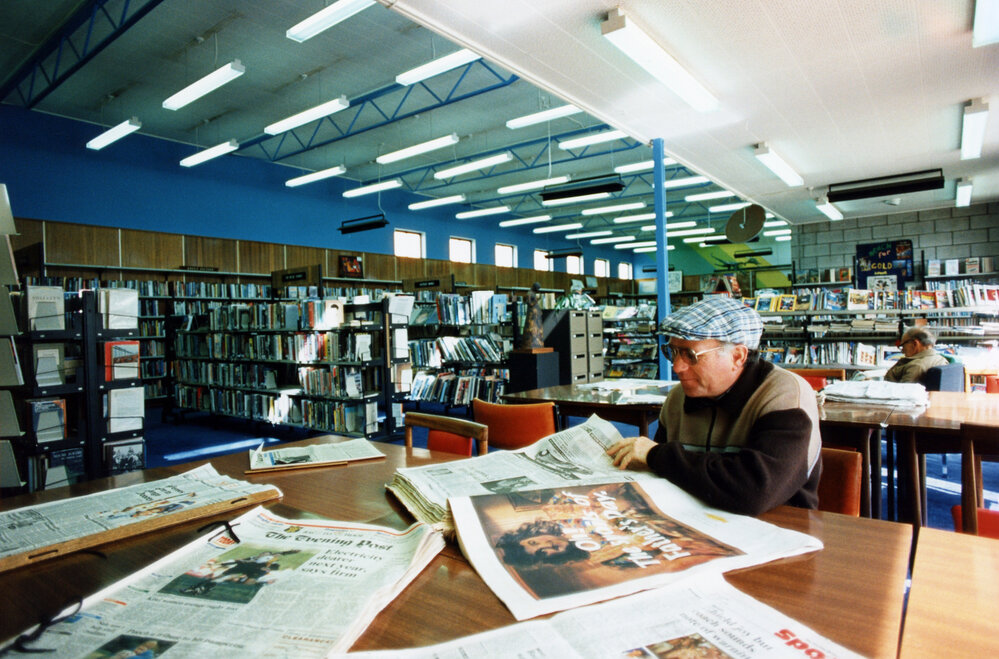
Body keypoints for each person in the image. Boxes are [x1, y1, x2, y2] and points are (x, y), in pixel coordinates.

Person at [606, 296, 822, 516]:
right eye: (673, 352)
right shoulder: (677, 398)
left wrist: (657, 456)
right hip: (695, 520)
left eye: (690, 355)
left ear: (738, 356)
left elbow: (754, 491)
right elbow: (661, 474)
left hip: (781, 527)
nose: (677, 367)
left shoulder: (785, 394)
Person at [883, 327, 948, 383]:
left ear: (915, 343)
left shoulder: (916, 366)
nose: (902, 351)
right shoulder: (941, 359)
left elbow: (904, 394)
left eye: (903, 346)